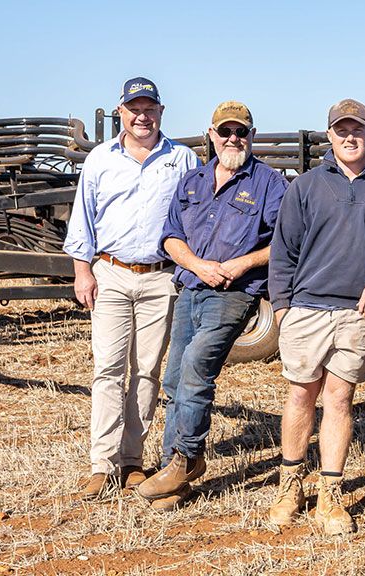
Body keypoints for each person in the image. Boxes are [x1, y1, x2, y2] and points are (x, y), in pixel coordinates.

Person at [136, 101, 287, 509]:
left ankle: (187, 458)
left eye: (241, 132)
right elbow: (170, 237)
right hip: (190, 287)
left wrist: (242, 263)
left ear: (252, 136)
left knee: (196, 366)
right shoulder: (193, 181)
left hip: (235, 294)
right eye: (225, 131)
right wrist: (197, 265)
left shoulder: (270, 184)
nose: (233, 139)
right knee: (173, 380)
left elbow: (286, 242)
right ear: (212, 135)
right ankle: (174, 477)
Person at [265, 99, 365, 532]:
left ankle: (330, 494)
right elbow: (282, 253)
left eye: (357, 129)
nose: (349, 137)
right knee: (301, 395)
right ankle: (290, 486)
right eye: (341, 130)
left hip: (357, 313)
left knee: (340, 400)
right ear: (329, 136)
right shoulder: (305, 187)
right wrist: (283, 308)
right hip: (306, 309)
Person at [63, 77, 199, 500]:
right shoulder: (100, 159)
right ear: (120, 111)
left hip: (161, 276)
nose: (142, 117)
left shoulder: (182, 159)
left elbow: (196, 215)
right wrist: (82, 271)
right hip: (111, 272)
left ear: (161, 112)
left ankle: (131, 461)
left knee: (146, 371)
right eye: (134, 109)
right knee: (108, 369)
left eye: (149, 109)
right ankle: (101, 465)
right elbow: (83, 218)